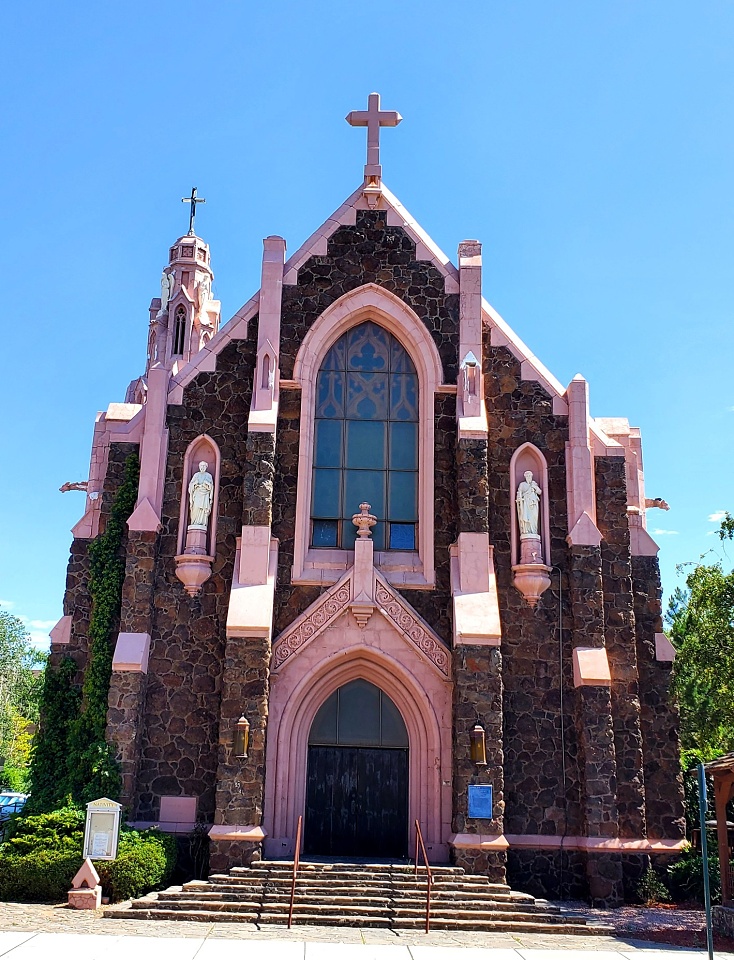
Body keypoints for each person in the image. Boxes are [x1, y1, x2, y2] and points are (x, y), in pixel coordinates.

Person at [188, 461, 214, 528]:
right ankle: (194, 522)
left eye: (204, 466)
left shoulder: (209, 476)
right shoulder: (196, 475)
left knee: (203, 510)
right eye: (201, 466)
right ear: (199, 467)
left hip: (205, 495)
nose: (202, 467)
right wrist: (195, 484)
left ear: (206, 467)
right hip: (197, 494)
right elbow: (190, 486)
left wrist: (207, 484)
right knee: (196, 507)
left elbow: (211, 487)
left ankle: (202, 523)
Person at [516, 470, 541, 536]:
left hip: (534, 503)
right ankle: (526, 530)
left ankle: (534, 531)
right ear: (525, 477)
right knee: (526, 516)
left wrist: (534, 487)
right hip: (526, 503)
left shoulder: (534, 484)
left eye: (530, 476)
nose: (529, 477)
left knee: (534, 517)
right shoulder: (522, 484)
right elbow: (519, 493)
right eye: (527, 476)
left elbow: (539, 492)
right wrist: (519, 498)